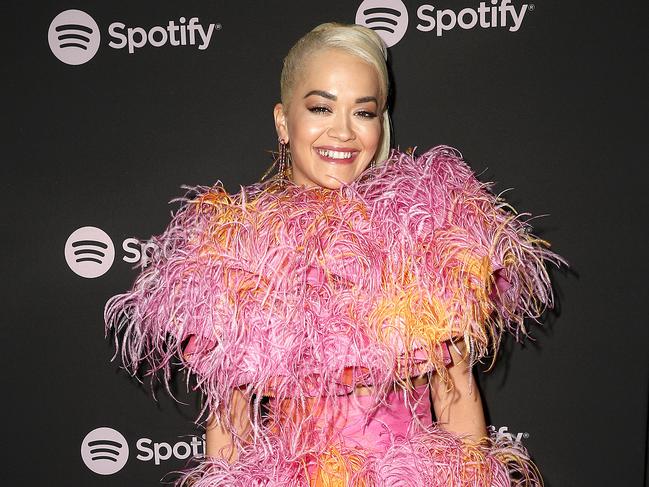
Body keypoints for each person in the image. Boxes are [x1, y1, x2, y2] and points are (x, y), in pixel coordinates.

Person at [105, 23, 562, 486]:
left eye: (363, 113)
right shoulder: (235, 251)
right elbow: (231, 422)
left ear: (380, 123)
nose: (342, 132)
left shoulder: (427, 234)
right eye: (322, 107)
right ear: (284, 121)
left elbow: (457, 395)